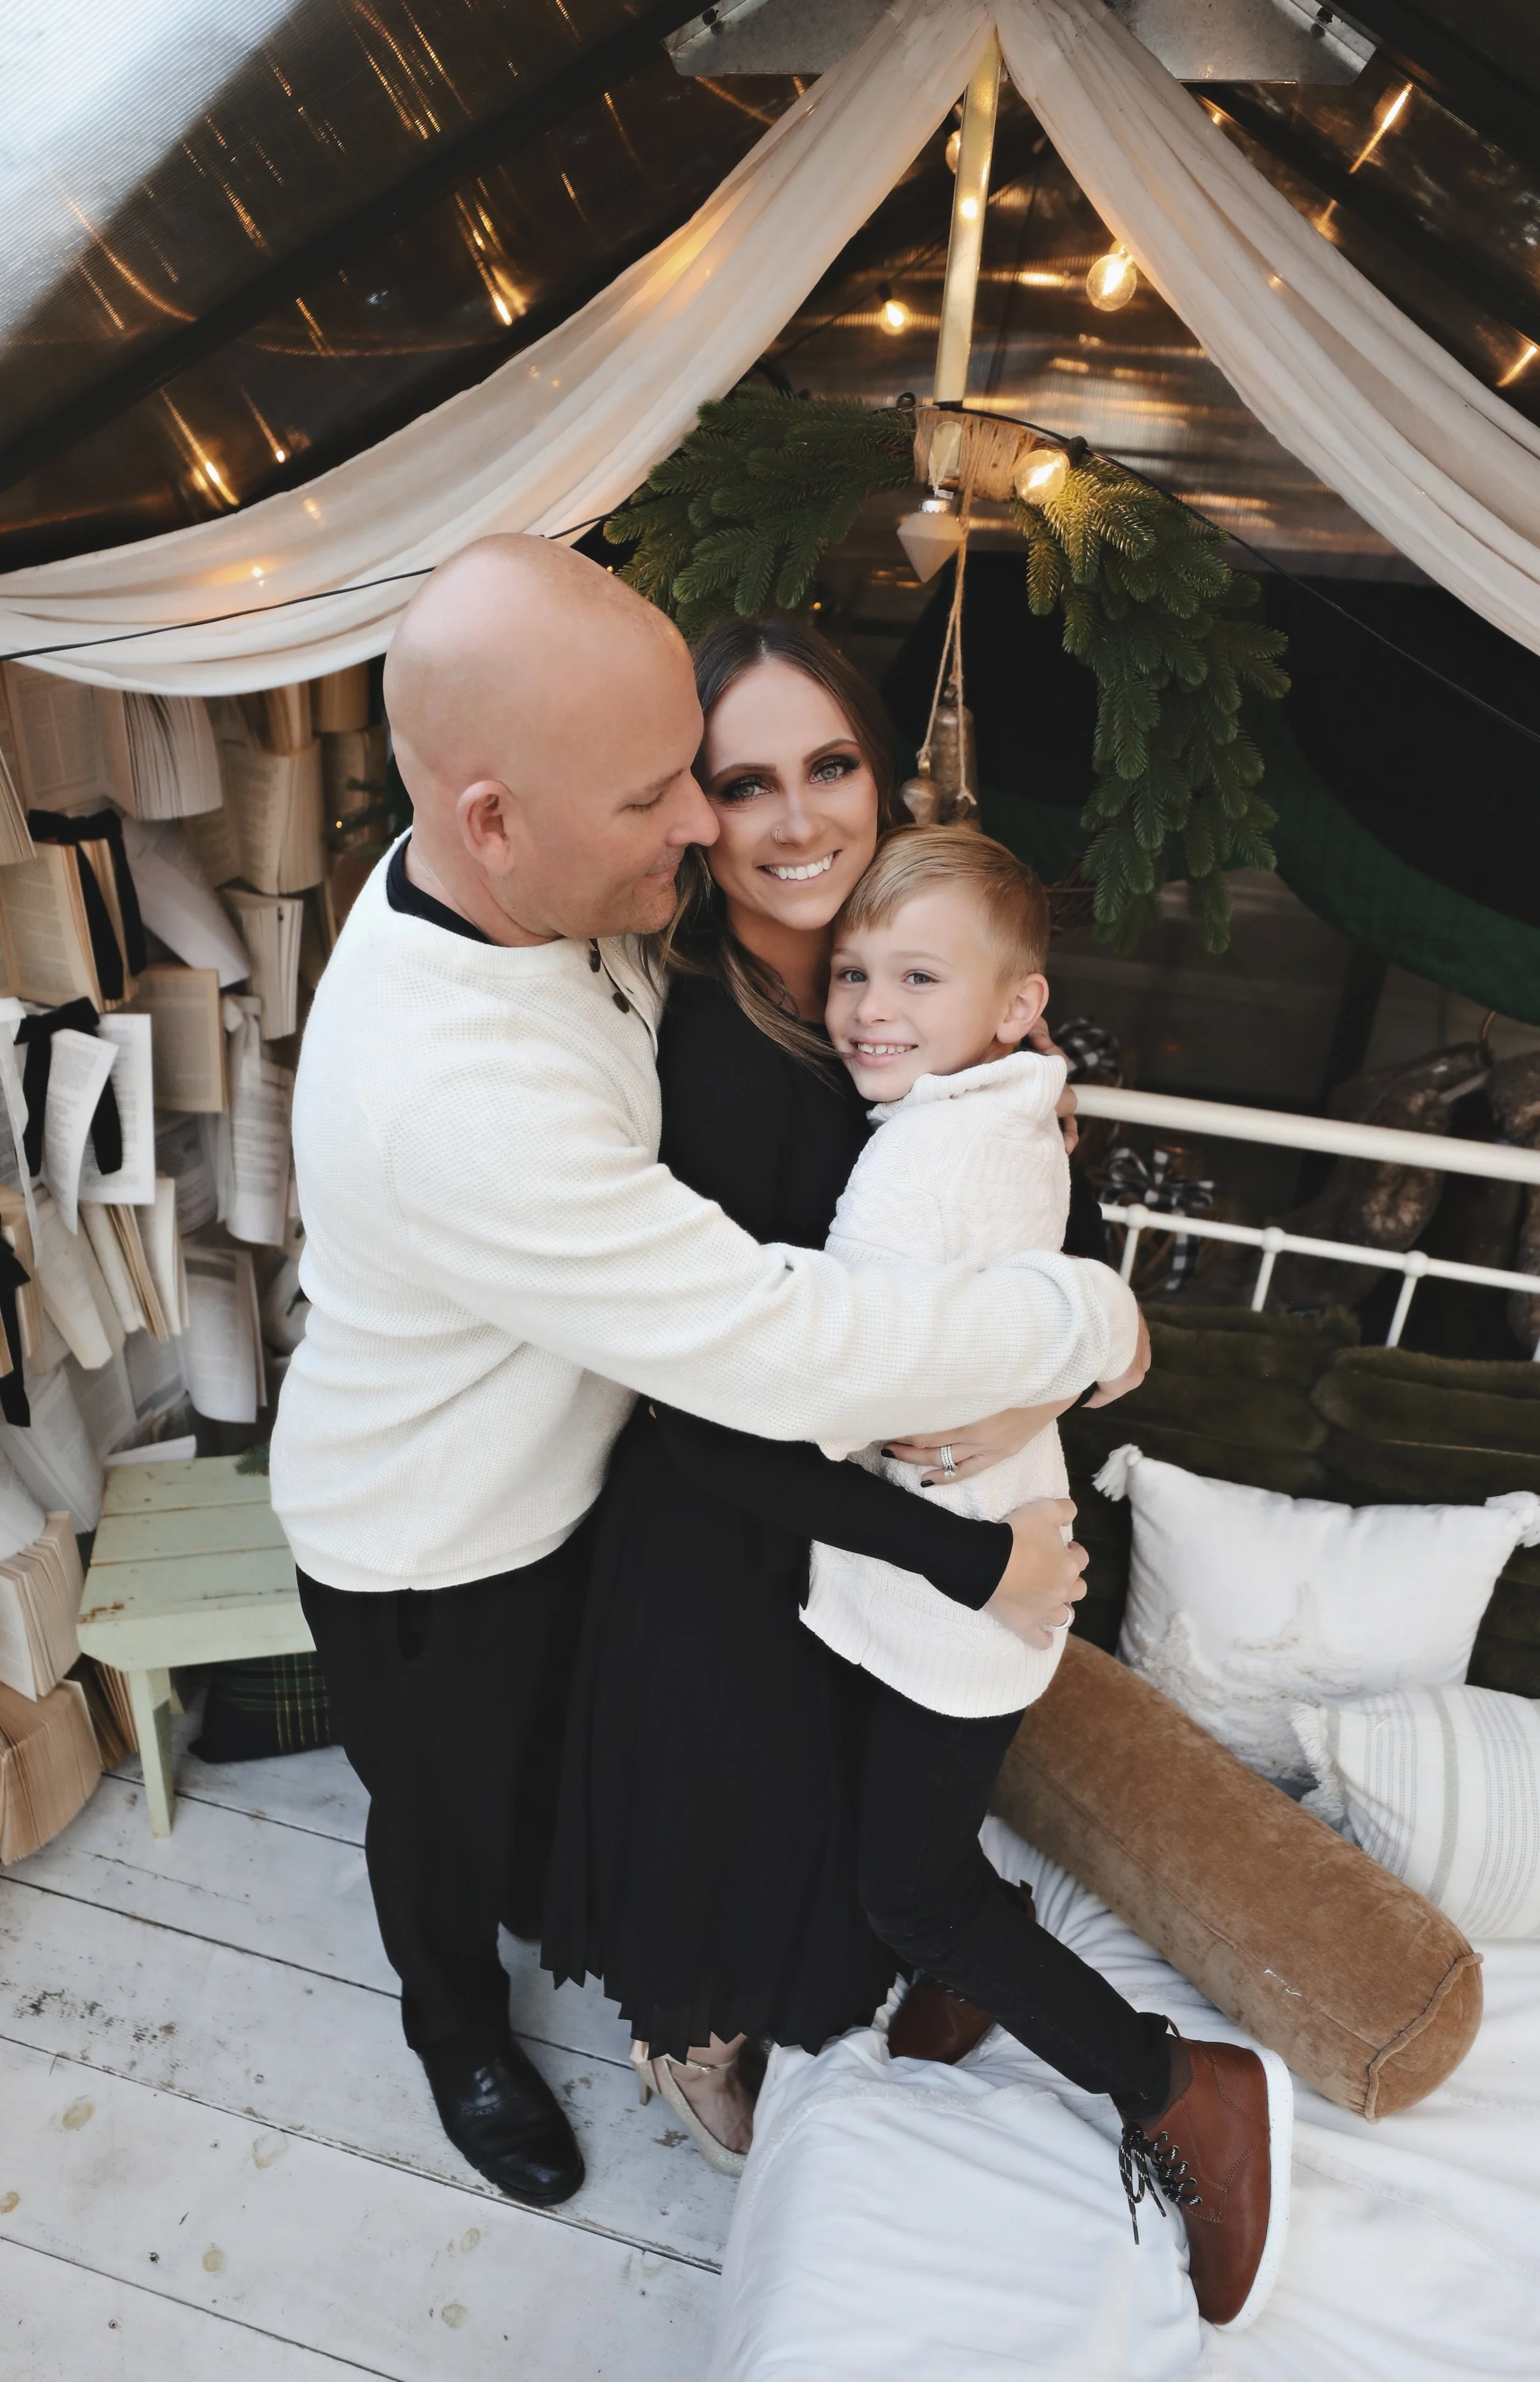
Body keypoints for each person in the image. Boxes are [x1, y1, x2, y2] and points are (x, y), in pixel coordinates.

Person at [271, 542, 1147, 2214]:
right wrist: (1088, 1327)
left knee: (569, 1796)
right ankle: (454, 2031)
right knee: (444, 1814)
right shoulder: (455, 1095)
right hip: (429, 1526)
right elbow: (773, 1345)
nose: (700, 824)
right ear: (493, 822)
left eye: (715, 772)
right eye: (671, 791)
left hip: (589, 1476)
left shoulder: (573, 893)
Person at [542, 614, 1128, 2172]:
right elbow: (704, 1406)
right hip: (733, 1517)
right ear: (693, 808)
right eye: (744, 783)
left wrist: (1056, 1366)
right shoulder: (706, 1055)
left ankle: (854, 1981)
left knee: (841, 1829)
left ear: (883, 774)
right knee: (723, 1829)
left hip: (861, 1513)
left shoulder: (927, 986)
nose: (796, 818)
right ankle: (689, 2034)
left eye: (830, 767)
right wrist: (971, 1549)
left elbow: (1053, 1231)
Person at [807, 824, 1291, 2333]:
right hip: (956, 1574)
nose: (869, 1008)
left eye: (917, 978)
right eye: (852, 973)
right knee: (909, 1827)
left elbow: (829, 1387)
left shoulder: (919, 1163)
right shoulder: (1014, 1111)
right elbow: (1050, 1306)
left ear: (1016, 1005)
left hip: (958, 1591)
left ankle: (1176, 2088)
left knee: (905, 1887)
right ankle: (975, 1967)